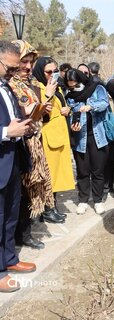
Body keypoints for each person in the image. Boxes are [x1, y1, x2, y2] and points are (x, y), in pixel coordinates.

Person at [9, 41, 63, 252]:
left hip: (33, 144)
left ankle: (24, 233)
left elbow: (42, 113)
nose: (28, 67)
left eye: (31, 62)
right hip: (16, 144)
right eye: (24, 62)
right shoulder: (9, 84)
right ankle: (17, 236)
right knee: (19, 193)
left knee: (29, 192)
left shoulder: (30, 83)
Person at [0, 40, 37, 292]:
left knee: (11, 215)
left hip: (12, 159)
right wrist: (5, 131)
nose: (15, 72)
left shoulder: (7, 86)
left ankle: (9, 259)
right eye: (11, 68)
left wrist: (25, 125)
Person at [31, 56, 75, 217]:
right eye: (48, 71)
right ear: (40, 72)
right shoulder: (37, 88)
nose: (52, 74)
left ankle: (52, 206)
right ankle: (46, 209)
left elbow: (61, 105)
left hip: (60, 137)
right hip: (48, 138)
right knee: (49, 176)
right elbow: (41, 113)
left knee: (57, 175)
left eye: (55, 71)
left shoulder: (57, 87)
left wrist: (67, 109)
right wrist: (48, 94)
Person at [65, 68, 110, 215]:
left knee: (98, 171)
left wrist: (91, 106)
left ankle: (97, 201)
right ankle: (83, 200)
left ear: (81, 80)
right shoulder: (70, 96)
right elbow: (72, 112)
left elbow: (104, 103)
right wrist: (73, 124)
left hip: (98, 136)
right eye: (70, 86)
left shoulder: (97, 88)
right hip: (80, 139)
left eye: (75, 85)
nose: (73, 88)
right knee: (83, 171)